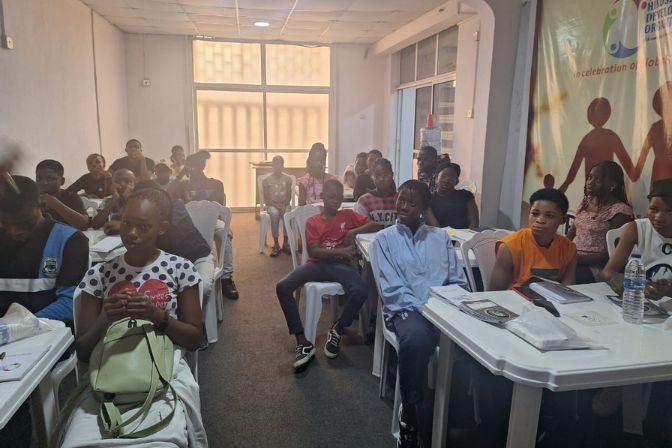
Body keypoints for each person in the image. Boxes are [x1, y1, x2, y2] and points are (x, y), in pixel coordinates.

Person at [57, 188, 207, 446]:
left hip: (163, 366)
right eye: (126, 223)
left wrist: (155, 315)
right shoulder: (100, 274)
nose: (132, 233)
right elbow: (83, 351)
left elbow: (195, 339)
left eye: (143, 226)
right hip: (109, 369)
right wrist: (105, 318)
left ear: (162, 228)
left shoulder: (180, 268)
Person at [370, 179, 469, 448]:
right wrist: (426, 311)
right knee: (417, 339)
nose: (404, 206)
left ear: (424, 208)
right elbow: (392, 289)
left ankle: (463, 410)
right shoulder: (384, 240)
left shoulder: (440, 237)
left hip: (443, 305)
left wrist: (456, 303)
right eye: (401, 199)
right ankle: (410, 412)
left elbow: (457, 279)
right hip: (406, 309)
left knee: (473, 340)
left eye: (412, 203)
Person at [0, 175, 88, 448]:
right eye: (6, 224)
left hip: (46, 335)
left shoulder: (69, 240)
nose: (15, 232)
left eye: (24, 223)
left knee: (10, 403)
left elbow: (68, 304)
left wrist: (12, 330)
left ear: (41, 205)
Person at [276, 179, 379, 370]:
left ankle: (338, 328)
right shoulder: (313, 222)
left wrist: (354, 232)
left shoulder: (348, 215)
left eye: (339, 198)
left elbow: (375, 226)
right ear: (323, 197)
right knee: (283, 287)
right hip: (317, 265)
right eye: (331, 197)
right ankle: (302, 342)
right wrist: (342, 251)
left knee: (361, 290)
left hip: (340, 267)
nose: (336, 201)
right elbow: (314, 251)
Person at [170, 151, 238, 300]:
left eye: (195, 165)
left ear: (202, 166)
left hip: (212, 221)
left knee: (225, 232)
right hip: (187, 224)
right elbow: (168, 196)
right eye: (189, 166)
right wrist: (180, 174)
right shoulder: (182, 185)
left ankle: (226, 277)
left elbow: (218, 208)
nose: (192, 169)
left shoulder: (216, 184)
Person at [490, 188, 577, 290]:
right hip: (516, 298)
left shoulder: (569, 249)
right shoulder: (509, 247)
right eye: (535, 214)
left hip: (553, 299)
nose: (539, 220)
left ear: (563, 220)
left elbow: (568, 290)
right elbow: (494, 292)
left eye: (549, 215)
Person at [600, 178, 672, 299]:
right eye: (654, 209)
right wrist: (617, 279)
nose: (659, 218)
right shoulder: (637, 228)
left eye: (670, 211)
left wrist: (667, 291)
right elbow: (607, 272)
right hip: (636, 299)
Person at [567, 161, 633, 283]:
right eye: (589, 177)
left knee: (563, 275)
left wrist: (574, 259)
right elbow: (570, 236)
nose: (589, 182)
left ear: (612, 185)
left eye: (597, 180)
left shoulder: (620, 212)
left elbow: (609, 255)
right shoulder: (586, 202)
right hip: (573, 259)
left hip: (596, 267)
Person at [36, 159, 89, 230]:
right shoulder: (31, 197)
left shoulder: (71, 197)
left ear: (62, 181)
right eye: (39, 178)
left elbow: (84, 225)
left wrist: (55, 203)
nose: (43, 182)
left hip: (65, 236)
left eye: (49, 179)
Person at [425, 163, 479, 229]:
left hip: (465, 234)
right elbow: (436, 227)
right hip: (441, 234)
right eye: (444, 175)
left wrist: (469, 234)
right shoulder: (429, 199)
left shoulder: (466, 195)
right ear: (436, 178)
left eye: (452, 176)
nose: (447, 180)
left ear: (456, 181)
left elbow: (474, 222)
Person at [262, 155, 293, 257]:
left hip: (285, 204)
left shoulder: (288, 179)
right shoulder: (266, 180)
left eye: (280, 164)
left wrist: (284, 204)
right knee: (274, 214)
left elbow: (289, 195)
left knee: (287, 214)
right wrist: (276, 205)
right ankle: (276, 244)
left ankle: (285, 243)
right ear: (272, 166)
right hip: (271, 204)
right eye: (275, 164)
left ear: (283, 166)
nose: (277, 167)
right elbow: (266, 198)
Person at [354, 158, 398, 228]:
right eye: (377, 175)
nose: (381, 179)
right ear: (372, 177)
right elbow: (361, 228)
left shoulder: (400, 199)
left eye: (386, 175)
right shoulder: (364, 201)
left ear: (392, 175)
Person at [90, 168, 135, 234]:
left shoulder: (140, 200)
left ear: (134, 184)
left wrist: (127, 200)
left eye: (126, 181)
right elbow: (95, 225)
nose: (122, 183)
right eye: (117, 181)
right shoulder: (108, 200)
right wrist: (114, 200)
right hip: (111, 237)